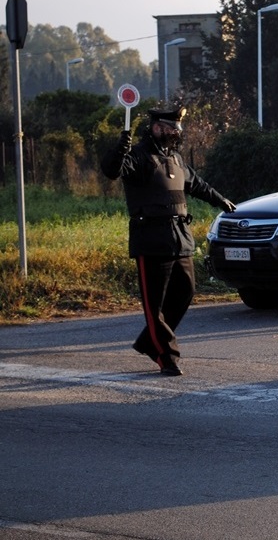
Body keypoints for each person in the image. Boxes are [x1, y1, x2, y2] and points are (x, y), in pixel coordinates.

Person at [101, 106, 236, 376]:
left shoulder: (175, 158)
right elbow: (112, 170)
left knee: (185, 291)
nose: (176, 132)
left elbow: (197, 185)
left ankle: (148, 342)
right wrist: (121, 147)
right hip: (151, 239)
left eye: (178, 128)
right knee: (154, 305)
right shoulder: (137, 156)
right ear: (157, 128)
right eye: (172, 128)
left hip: (179, 237)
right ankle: (166, 356)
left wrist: (220, 200)